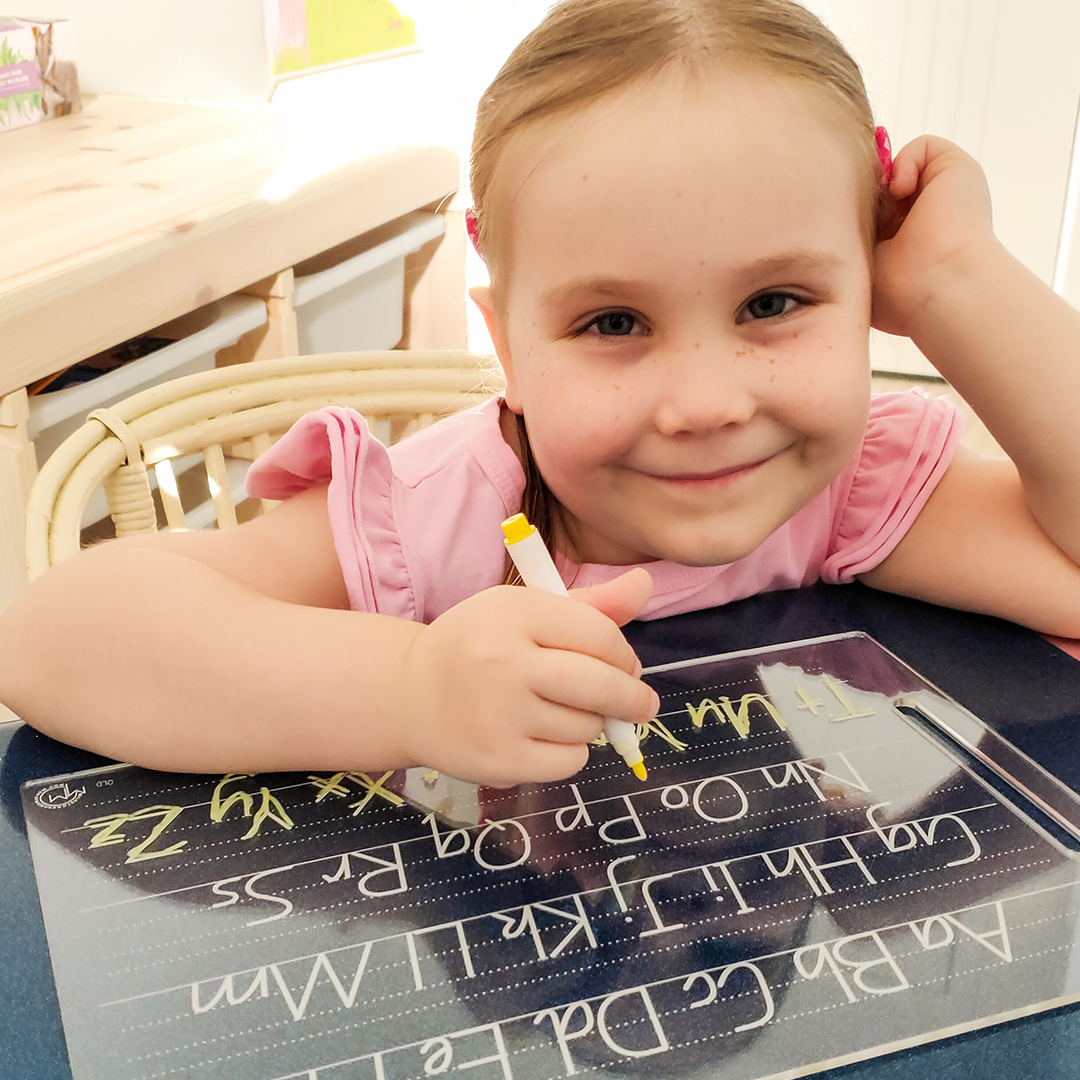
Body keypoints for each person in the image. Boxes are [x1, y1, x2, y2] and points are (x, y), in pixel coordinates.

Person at [4, 0, 1080, 789]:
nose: (704, 403)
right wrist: (407, 687)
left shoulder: (840, 489)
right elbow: (51, 641)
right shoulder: (433, 521)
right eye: (612, 322)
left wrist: (959, 281)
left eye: (777, 302)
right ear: (506, 344)